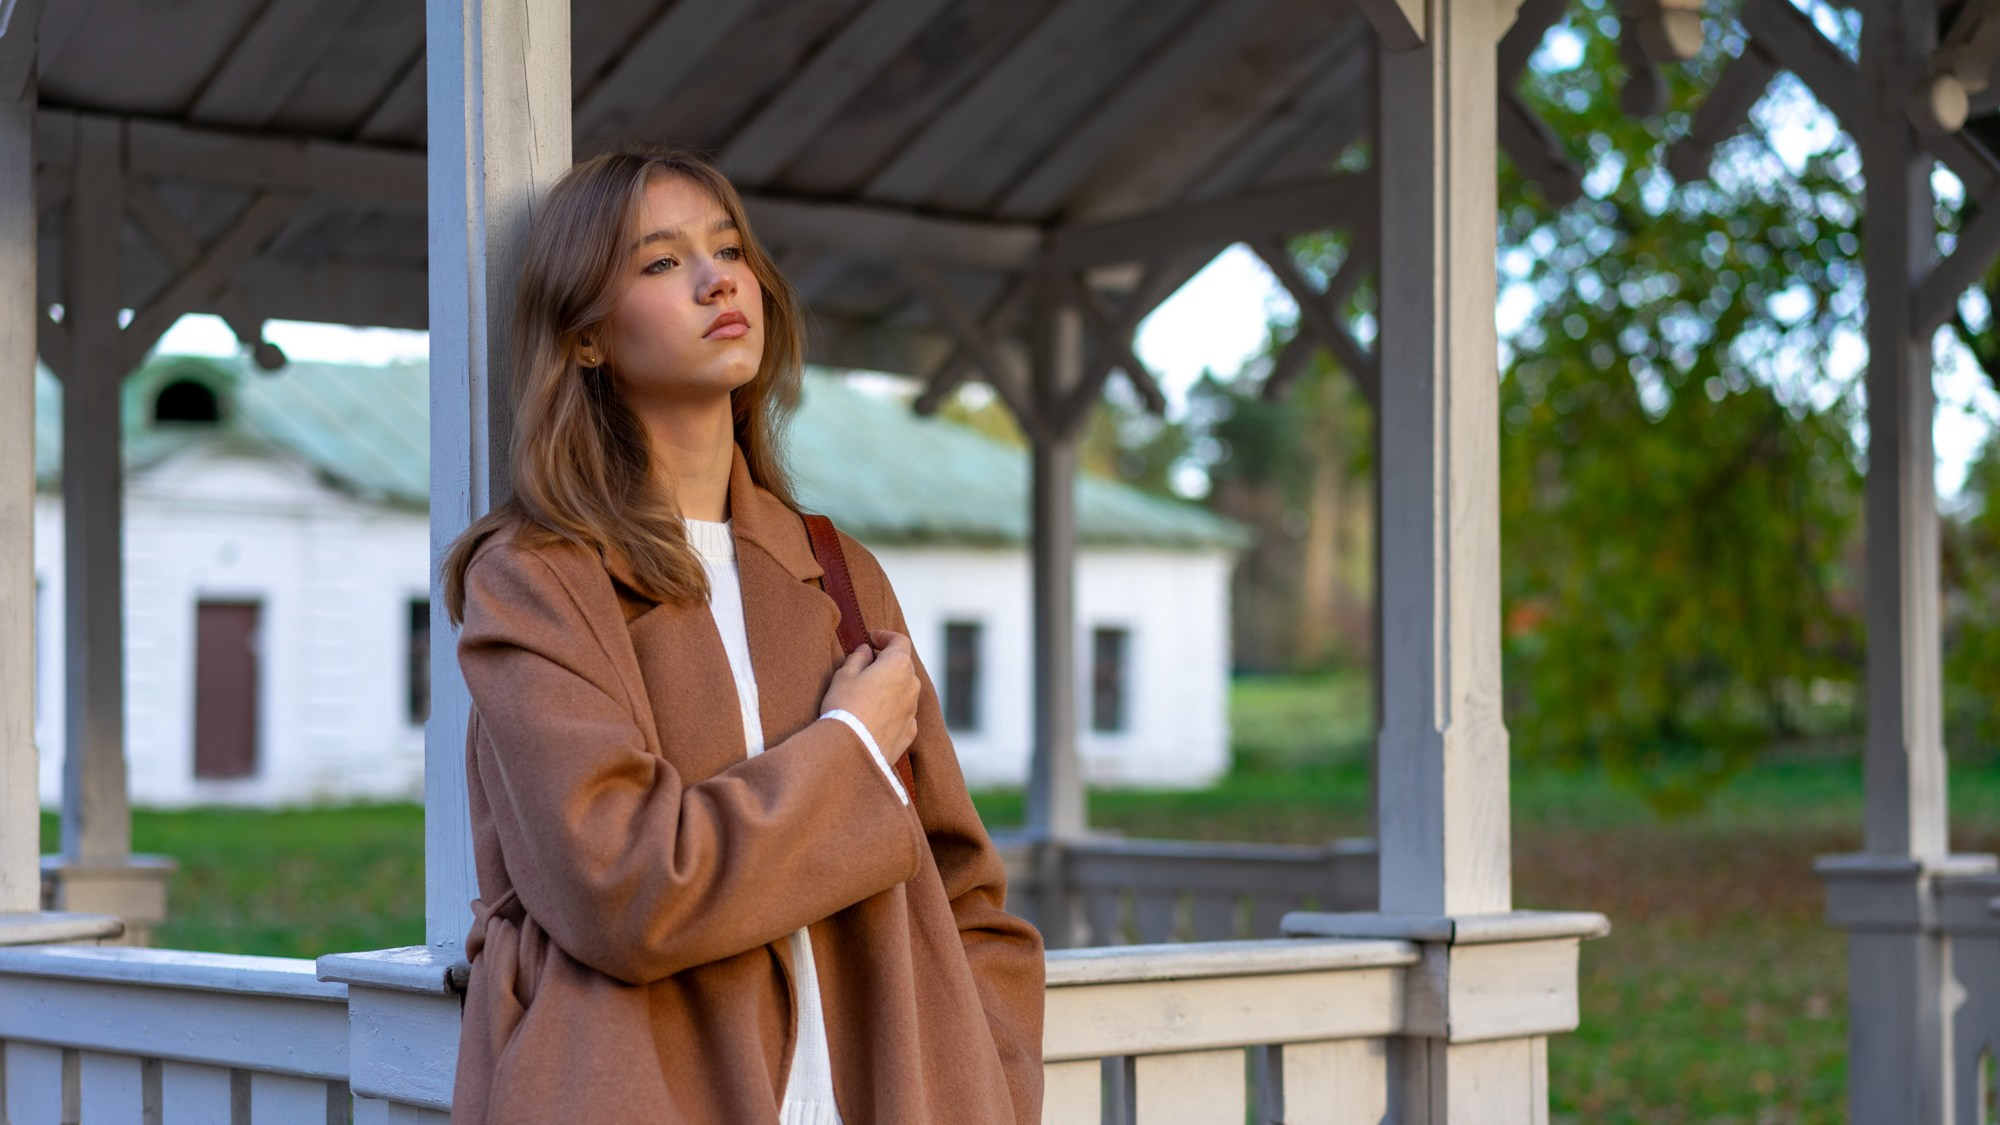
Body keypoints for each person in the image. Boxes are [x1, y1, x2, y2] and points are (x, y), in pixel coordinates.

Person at [439, 149, 1045, 1124]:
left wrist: (988, 1071)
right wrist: (845, 749)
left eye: (728, 249)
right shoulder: (536, 580)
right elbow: (624, 888)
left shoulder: (836, 571)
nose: (719, 278)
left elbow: (964, 886)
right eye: (660, 262)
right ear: (585, 336)